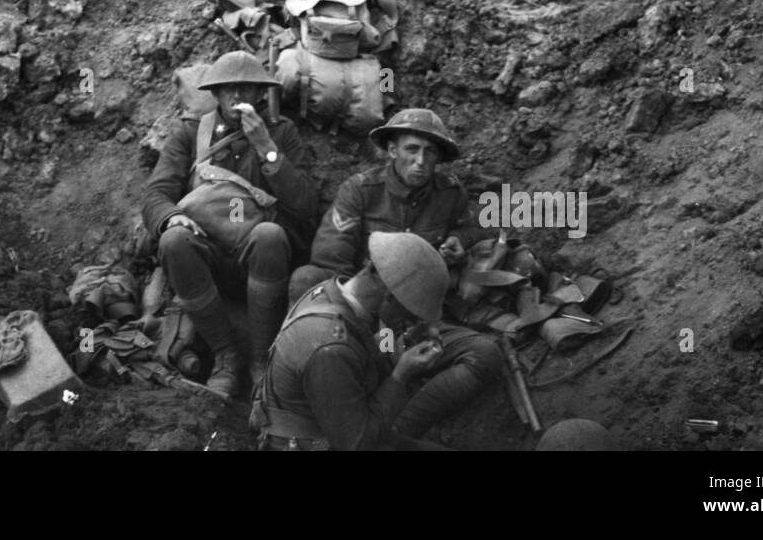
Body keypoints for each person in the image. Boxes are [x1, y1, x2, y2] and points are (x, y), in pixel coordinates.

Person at [285, 108, 502, 440]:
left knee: (486, 354)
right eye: (412, 149)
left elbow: (474, 229)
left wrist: (461, 243)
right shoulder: (360, 190)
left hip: (419, 317)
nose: (420, 160)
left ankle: (400, 429)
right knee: (306, 278)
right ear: (392, 150)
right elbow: (331, 266)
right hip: (365, 316)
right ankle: (314, 401)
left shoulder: (449, 193)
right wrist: (372, 329)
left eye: (430, 153)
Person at [141, 50, 317, 397]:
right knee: (173, 240)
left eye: (246, 89)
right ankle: (225, 358)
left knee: (269, 234)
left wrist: (266, 147)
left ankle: (261, 362)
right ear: (216, 95)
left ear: (259, 95)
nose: (238, 97)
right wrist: (173, 217)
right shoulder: (190, 134)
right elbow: (155, 195)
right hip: (206, 260)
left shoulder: (281, 133)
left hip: (263, 261)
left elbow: (306, 205)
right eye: (228, 89)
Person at [251, 231, 451, 450]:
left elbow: (364, 364)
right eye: (411, 312)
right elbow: (357, 444)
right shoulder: (332, 347)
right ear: (389, 297)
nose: (412, 320)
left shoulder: (331, 293)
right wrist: (402, 376)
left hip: (326, 429)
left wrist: (403, 345)